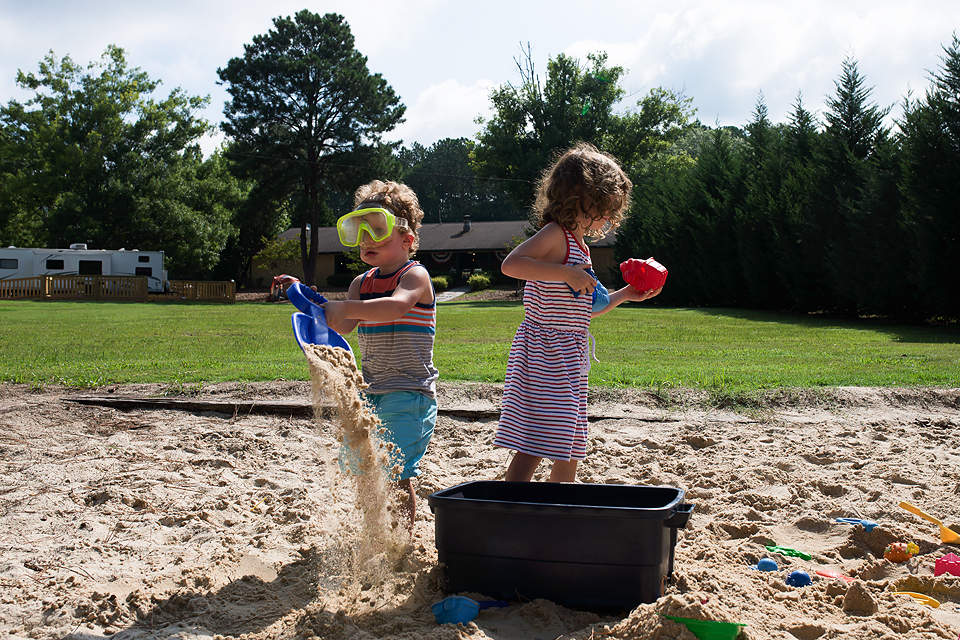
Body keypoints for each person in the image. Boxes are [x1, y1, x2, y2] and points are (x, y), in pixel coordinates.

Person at [494, 143, 663, 483]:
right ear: (578, 197)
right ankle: (509, 505)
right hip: (544, 351)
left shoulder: (581, 245)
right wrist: (565, 273)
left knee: (571, 436)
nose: (606, 218)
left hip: (570, 353)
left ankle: (561, 502)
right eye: (602, 208)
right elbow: (511, 265)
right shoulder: (556, 235)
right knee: (539, 436)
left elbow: (589, 307)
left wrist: (628, 294)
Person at [321, 180, 438, 527]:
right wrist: (316, 305)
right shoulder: (361, 283)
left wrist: (344, 306)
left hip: (410, 392)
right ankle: (376, 532)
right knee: (367, 469)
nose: (367, 240)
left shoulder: (414, 276)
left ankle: (399, 541)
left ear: (407, 240)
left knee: (394, 471)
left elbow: (395, 308)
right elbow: (344, 326)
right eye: (361, 232)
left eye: (378, 230)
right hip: (371, 394)